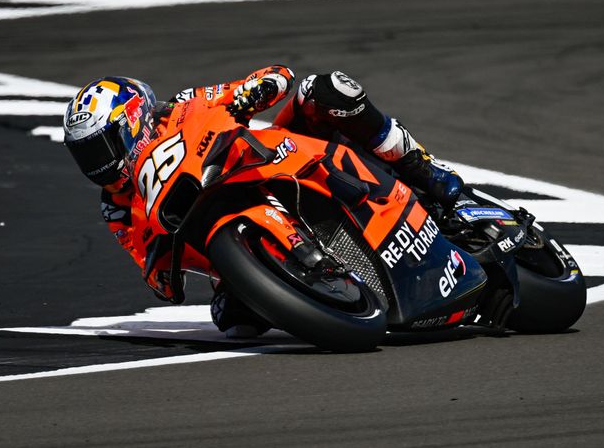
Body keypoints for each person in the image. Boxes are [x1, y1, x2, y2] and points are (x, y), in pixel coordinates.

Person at [63, 67, 464, 336]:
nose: (97, 165)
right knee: (234, 321)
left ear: (133, 121)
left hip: (265, 160)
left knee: (327, 89)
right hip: (224, 240)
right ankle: (311, 284)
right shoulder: (116, 206)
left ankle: (423, 169)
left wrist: (259, 89)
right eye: (85, 156)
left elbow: (275, 76)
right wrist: (163, 268)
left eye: (101, 148)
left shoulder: (184, 105)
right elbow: (156, 277)